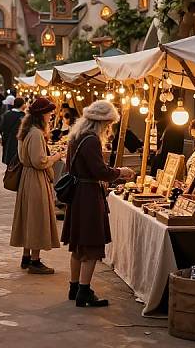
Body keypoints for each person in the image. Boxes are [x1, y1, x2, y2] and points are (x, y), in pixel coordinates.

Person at [61, 100, 135, 308]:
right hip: (88, 196)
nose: (109, 128)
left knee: (78, 244)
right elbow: (100, 172)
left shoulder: (75, 137)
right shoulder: (91, 140)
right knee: (91, 244)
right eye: (109, 124)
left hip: (78, 195)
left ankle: (74, 287)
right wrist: (121, 172)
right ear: (101, 123)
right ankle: (84, 291)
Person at [10, 98, 64, 274]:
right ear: (41, 115)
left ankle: (27, 256)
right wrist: (56, 156)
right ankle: (34, 260)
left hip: (28, 178)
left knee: (29, 216)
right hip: (35, 178)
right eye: (48, 113)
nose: (50, 115)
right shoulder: (35, 133)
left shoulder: (27, 131)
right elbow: (39, 161)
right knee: (37, 218)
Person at [0, 97, 27, 165]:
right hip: (18, 141)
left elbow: (2, 128)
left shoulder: (7, 114)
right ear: (22, 104)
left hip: (8, 141)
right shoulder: (23, 116)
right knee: (16, 162)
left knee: (9, 160)